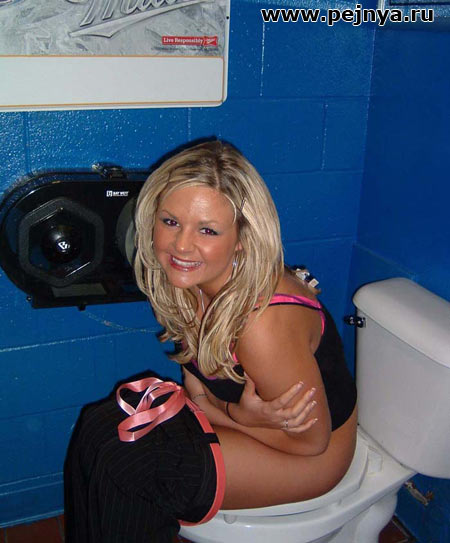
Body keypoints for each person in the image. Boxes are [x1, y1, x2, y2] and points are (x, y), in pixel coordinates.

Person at [64, 140, 357, 542]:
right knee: (98, 428)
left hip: (314, 458)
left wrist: (235, 416)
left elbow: (310, 442)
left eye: (207, 230)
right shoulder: (188, 282)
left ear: (242, 237)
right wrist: (222, 410)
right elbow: (196, 389)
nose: (181, 245)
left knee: (131, 467)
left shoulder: (260, 324)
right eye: (170, 222)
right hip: (259, 429)